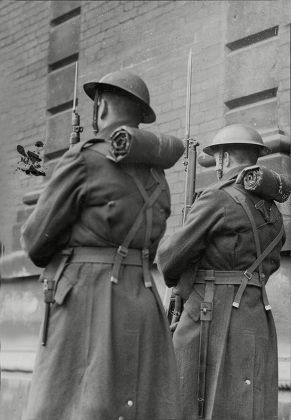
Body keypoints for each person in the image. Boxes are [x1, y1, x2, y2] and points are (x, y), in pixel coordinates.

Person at [21, 70, 184, 420]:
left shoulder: (85, 158)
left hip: (87, 296)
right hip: (142, 296)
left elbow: (35, 242)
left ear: (102, 107)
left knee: (74, 403)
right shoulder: (159, 176)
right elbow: (151, 249)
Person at [157, 124, 286, 420]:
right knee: (244, 399)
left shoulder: (217, 197)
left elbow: (170, 257)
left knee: (187, 394)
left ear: (224, 159)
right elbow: (272, 263)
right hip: (256, 311)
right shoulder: (274, 210)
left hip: (211, 311)